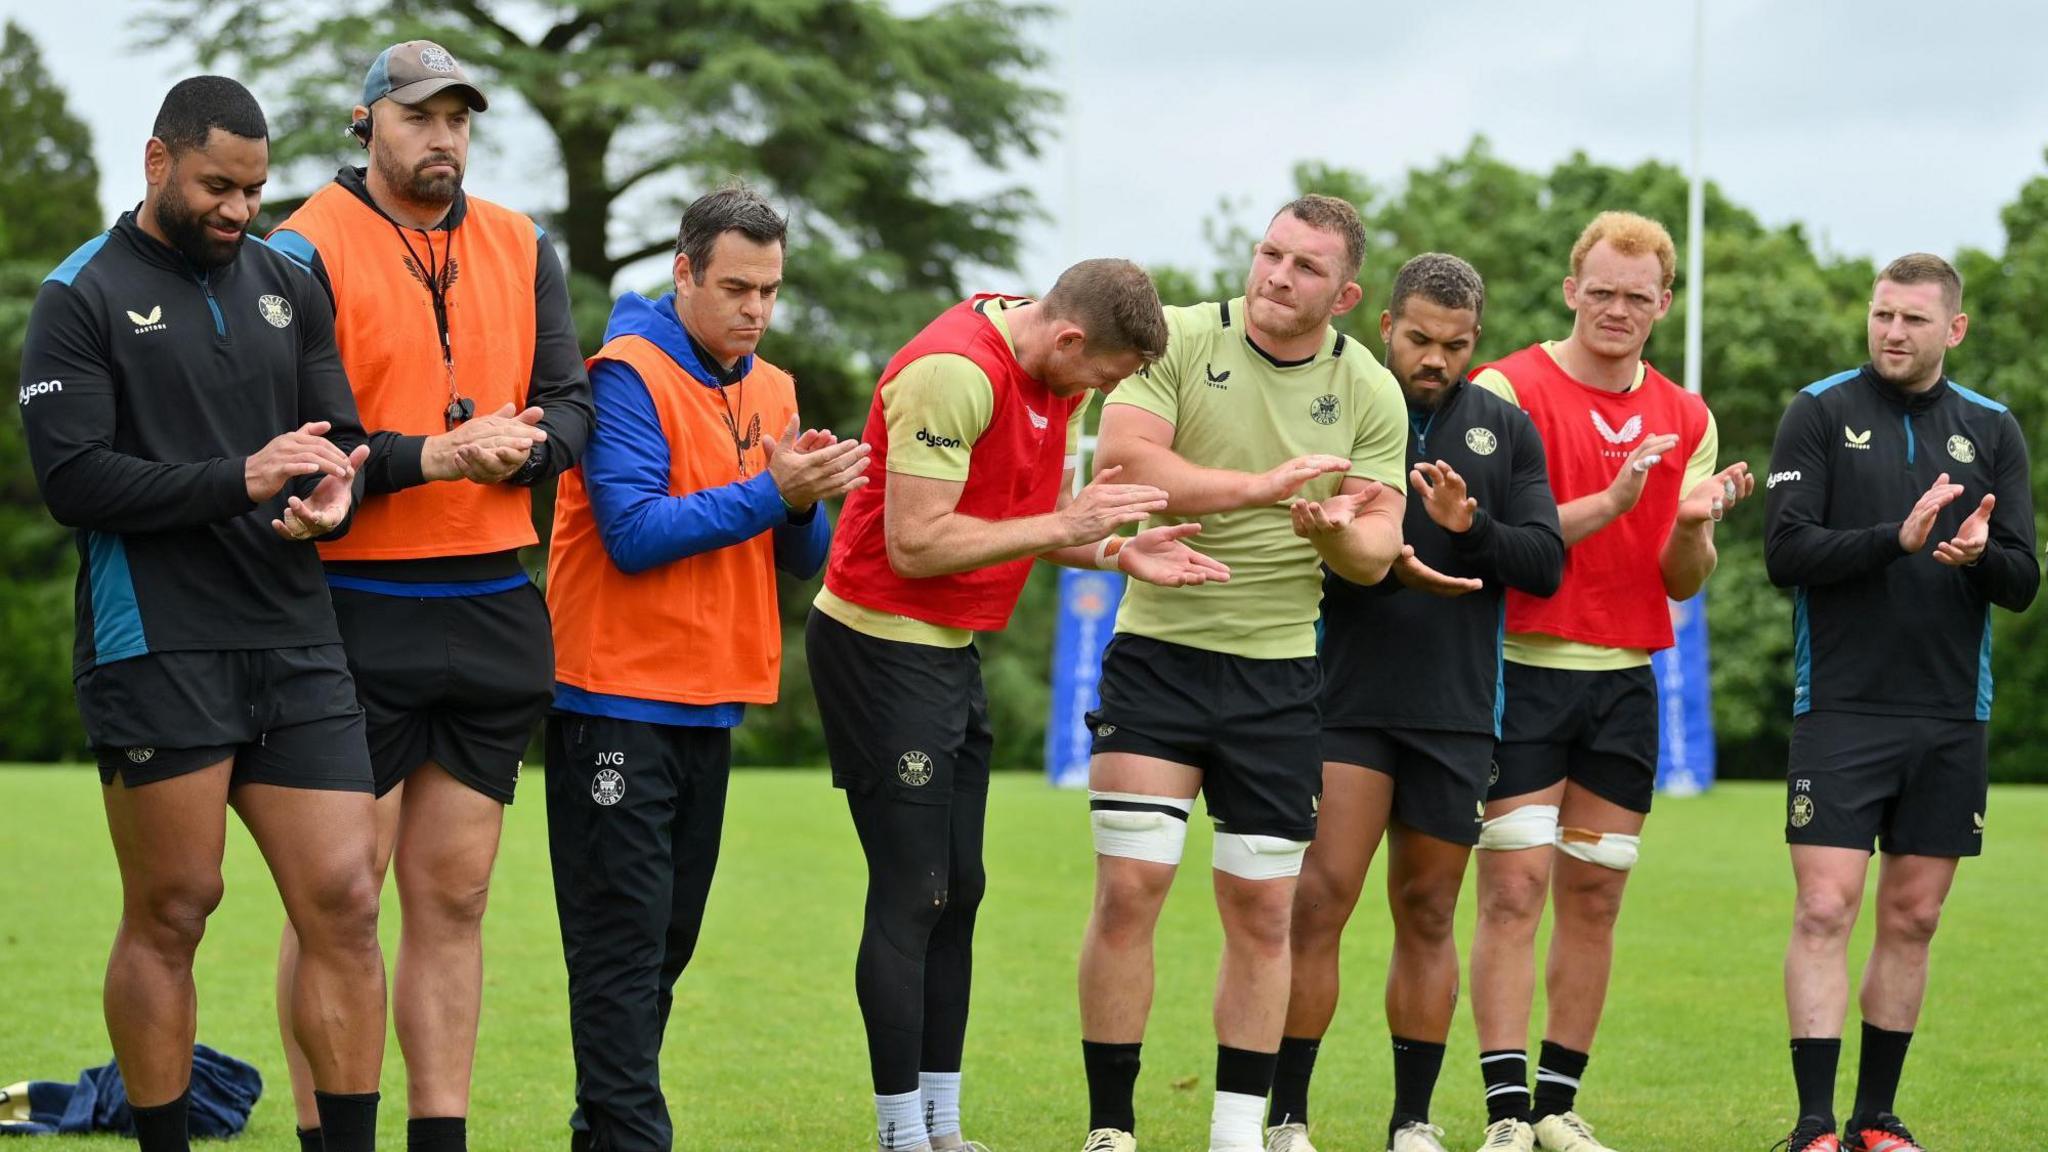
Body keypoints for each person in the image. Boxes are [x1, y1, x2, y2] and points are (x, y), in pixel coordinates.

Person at [18, 76, 386, 1152]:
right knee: (176, 908)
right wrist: (243, 477)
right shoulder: (77, 295)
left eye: (256, 191)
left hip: (296, 634)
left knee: (347, 902)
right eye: (219, 186)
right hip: (158, 641)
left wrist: (334, 491)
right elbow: (74, 483)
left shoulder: (287, 279)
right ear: (157, 163)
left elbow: (336, 430)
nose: (239, 211)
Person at [810, 258, 1227, 1152]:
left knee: (961, 891)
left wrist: (1119, 554)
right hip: (878, 645)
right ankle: (897, 1136)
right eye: (1106, 374)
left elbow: (1013, 522)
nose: (1103, 393)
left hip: (947, 652)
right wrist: (1068, 528)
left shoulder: (1053, 376)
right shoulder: (953, 373)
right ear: (1071, 338)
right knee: (913, 892)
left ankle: (943, 1129)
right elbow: (918, 544)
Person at [266, 40, 593, 1152]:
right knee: (338, 901)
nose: (442, 136)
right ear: (366, 125)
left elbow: (570, 405)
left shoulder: (521, 242)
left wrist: (527, 454)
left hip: (494, 598)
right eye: (418, 116)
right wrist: (440, 458)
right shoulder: (300, 249)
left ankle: (438, 1140)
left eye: (457, 117)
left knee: (453, 901)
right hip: (348, 601)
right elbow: (314, 444)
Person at [1076, 194, 1410, 1152]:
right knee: (1130, 889)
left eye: (1306, 268)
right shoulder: (1178, 337)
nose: (1276, 275)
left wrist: (1339, 530)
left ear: (1342, 294)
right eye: (1270, 253)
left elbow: (1378, 548)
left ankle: (1235, 1135)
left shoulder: (1369, 390)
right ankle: (1112, 1130)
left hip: (1277, 678)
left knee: (1265, 911)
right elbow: (1129, 464)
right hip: (1159, 657)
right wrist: (1263, 489)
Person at [543, 184, 866, 1152]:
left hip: (708, 705)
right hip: (614, 699)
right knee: (621, 945)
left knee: (662, 950)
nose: (755, 310)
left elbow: (797, 558)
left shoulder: (770, 385)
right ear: (682, 272)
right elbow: (634, 535)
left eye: (769, 290)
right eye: (735, 287)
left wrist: (801, 502)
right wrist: (773, 489)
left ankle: (604, 1131)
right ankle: (634, 1137)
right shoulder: (624, 375)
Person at [1464, 211, 1752, 1152]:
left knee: (1597, 897)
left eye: (1638, 296)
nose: (1617, 309)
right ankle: (1506, 1115)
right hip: (1519, 671)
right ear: (1569, 289)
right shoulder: (1505, 388)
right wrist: (1621, 498)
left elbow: (1678, 581)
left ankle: (1555, 1107)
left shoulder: (1689, 416)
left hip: (1625, 681)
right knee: (1512, 894)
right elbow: (1499, 543)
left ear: (1663, 304)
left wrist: (1696, 524)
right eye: (1602, 289)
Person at [1268, 254, 1564, 1152]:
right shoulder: (1341, 402)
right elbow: (1302, 544)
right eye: (1421, 339)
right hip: (1347, 700)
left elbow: (1546, 564)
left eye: (1456, 345)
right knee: (1320, 900)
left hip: (1456, 709)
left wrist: (1473, 528)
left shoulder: (1505, 431)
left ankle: (1412, 1122)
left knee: (1429, 912)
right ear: (1387, 325)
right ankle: (1284, 1117)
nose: (1434, 359)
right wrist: (1371, 557)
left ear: (1476, 342)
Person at [1764, 254, 2037, 1152]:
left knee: (1913, 916)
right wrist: (1897, 539)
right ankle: (1812, 1126)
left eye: (1914, 319)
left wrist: (1975, 557)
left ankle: (1875, 1120)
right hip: (1841, 704)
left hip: (1950, 711)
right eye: (1882, 314)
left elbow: (2023, 579)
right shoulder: (1819, 410)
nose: (1892, 332)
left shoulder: (1993, 428)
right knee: (1825, 907)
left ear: (1952, 329)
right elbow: (1786, 553)